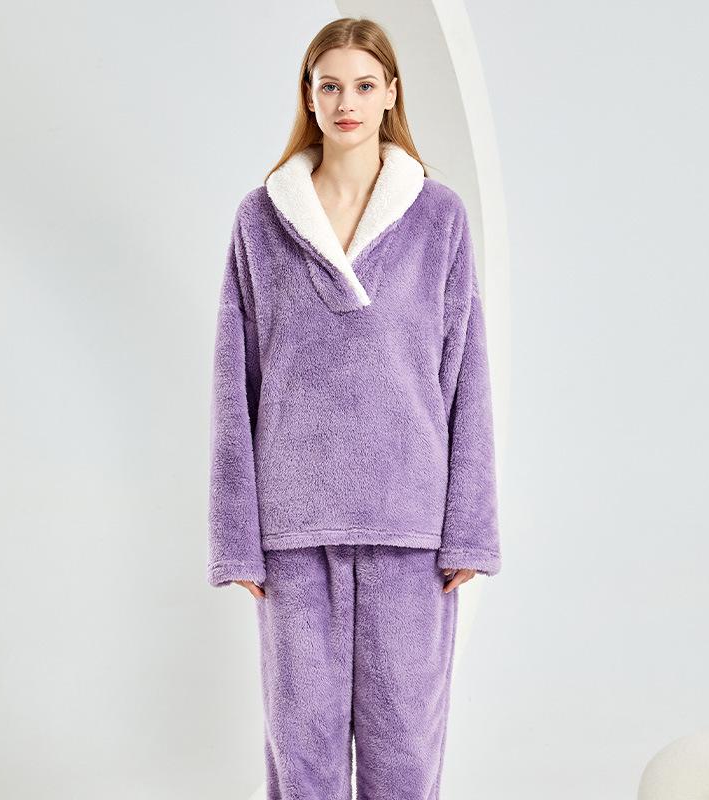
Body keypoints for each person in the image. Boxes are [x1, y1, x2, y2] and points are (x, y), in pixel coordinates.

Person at [207, 15, 501, 799]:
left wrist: (469, 529)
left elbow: (466, 376)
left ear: (391, 94)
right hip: (294, 532)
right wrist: (237, 540)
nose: (347, 102)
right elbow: (234, 384)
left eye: (364, 86)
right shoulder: (260, 221)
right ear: (308, 94)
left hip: (413, 530)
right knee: (300, 754)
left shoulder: (439, 218)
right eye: (330, 85)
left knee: (406, 753)